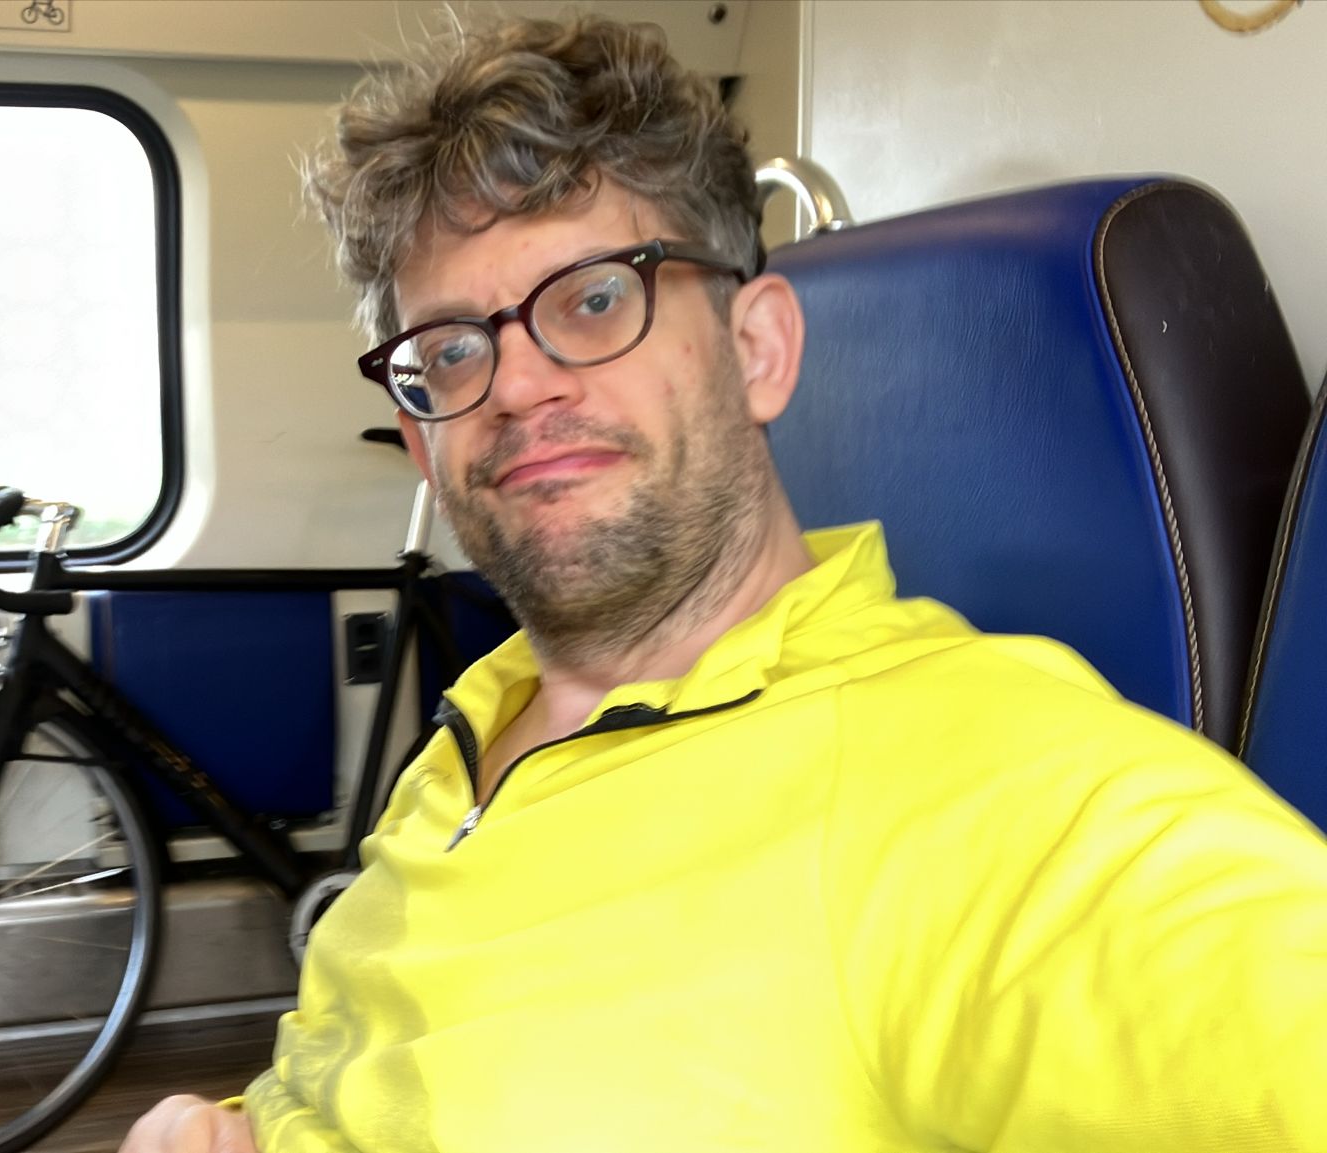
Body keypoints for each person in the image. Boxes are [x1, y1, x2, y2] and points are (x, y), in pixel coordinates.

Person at [123, 13, 1327, 1152]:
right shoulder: (472, 727)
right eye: (449, 349)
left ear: (756, 349)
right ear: (419, 433)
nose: (518, 386)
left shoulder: (962, 786)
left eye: (595, 298)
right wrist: (214, 1120)